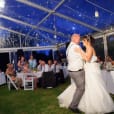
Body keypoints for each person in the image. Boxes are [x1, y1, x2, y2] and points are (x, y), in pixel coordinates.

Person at [58, 35, 114, 114]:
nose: (82, 42)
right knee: (86, 87)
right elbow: (89, 58)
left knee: (93, 87)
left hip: (90, 71)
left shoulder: (89, 48)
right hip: (88, 70)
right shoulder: (87, 48)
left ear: (88, 41)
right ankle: (80, 103)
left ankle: (98, 105)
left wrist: (80, 52)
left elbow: (87, 59)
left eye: (83, 41)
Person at [58, 34, 85, 113]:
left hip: (72, 71)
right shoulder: (76, 47)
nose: (79, 40)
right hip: (77, 71)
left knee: (77, 88)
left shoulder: (69, 47)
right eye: (79, 38)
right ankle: (73, 106)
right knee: (81, 88)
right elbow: (84, 57)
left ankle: (75, 102)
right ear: (74, 38)